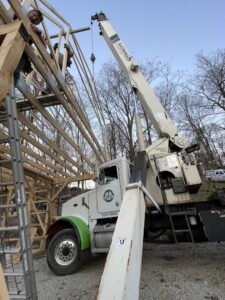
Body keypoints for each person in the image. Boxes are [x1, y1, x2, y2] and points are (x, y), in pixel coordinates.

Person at [14, 9, 45, 86]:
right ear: (29, 12)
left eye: (37, 19)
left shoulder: (35, 30)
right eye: (34, 15)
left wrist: (38, 33)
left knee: (14, 74)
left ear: (38, 23)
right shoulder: (19, 14)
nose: (34, 18)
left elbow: (44, 47)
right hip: (9, 42)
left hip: (21, 54)